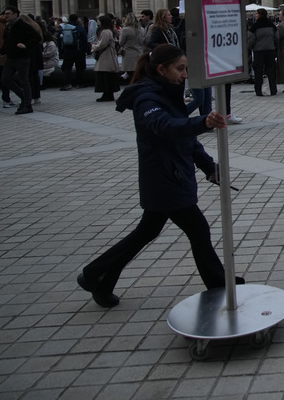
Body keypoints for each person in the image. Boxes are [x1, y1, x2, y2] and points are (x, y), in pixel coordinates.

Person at [77, 44, 240, 308]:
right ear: (161, 69)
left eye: (186, 68)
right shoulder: (147, 98)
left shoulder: (167, 92)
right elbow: (165, 126)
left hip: (170, 176)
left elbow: (186, 139)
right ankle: (220, 284)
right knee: (197, 229)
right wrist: (203, 122)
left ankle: (97, 276)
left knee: (147, 231)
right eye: (179, 68)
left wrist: (209, 167)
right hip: (164, 179)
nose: (185, 74)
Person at [0, 7, 41, 114]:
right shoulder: (8, 27)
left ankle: (27, 105)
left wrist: (26, 45)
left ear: (15, 14)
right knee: (5, 79)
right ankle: (24, 98)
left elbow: (36, 38)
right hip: (11, 58)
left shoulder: (23, 25)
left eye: (8, 14)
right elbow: (7, 42)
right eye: (5, 14)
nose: (6, 16)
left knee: (24, 80)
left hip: (22, 57)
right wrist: (0, 52)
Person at [248, 8, 278, 97]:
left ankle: (259, 90)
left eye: (256, 13)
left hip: (259, 51)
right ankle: (272, 89)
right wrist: (274, 45)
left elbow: (251, 40)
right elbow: (277, 38)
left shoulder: (254, 27)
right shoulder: (271, 25)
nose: (255, 15)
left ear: (260, 15)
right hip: (270, 50)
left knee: (258, 71)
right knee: (271, 71)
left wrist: (249, 48)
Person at [92, 14, 121, 102]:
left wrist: (94, 47)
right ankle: (108, 94)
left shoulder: (105, 31)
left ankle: (107, 94)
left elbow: (102, 44)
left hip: (106, 55)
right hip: (109, 54)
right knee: (108, 75)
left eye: (99, 21)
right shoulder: (110, 31)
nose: (98, 22)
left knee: (105, 74)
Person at [58, 14, 89, 90]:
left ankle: (67, 84)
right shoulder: (80, 29)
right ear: (77, 19)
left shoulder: (63, 29)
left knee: (67, 68)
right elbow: (85, 40)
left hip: (67, 51)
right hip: (79, 51)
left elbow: (60, 41)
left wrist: (61, 51)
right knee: (80, 68)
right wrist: (86, 50)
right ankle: (80, 83)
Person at [118, 13, 144, 79]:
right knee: (139, 75)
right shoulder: (141, 29)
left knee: (131, 75)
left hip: (129, 55)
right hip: (139, 53)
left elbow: (121, 43)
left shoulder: (125, 30)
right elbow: (142, 42)